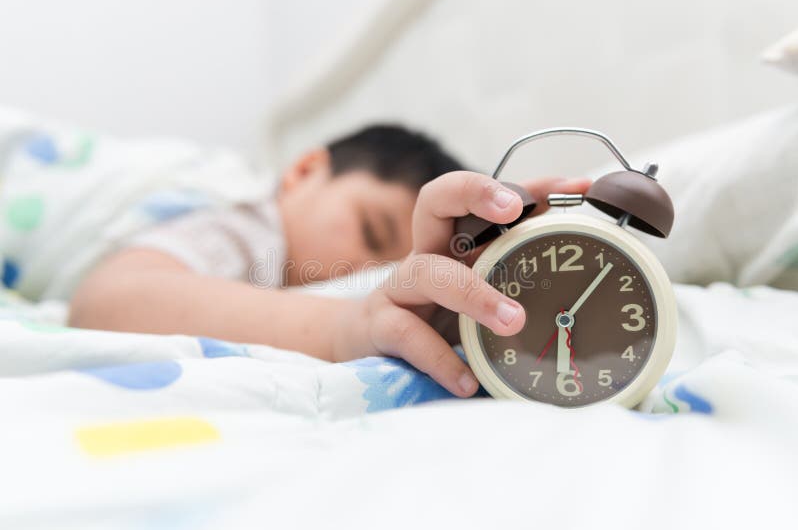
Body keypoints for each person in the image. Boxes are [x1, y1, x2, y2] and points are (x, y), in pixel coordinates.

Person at [69, 124, 591, 397]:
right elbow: (108, 301)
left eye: (384, 267)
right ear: (303, 171)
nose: (358, 274)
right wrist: (348, 325)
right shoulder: (252, 228)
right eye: (370, 231)